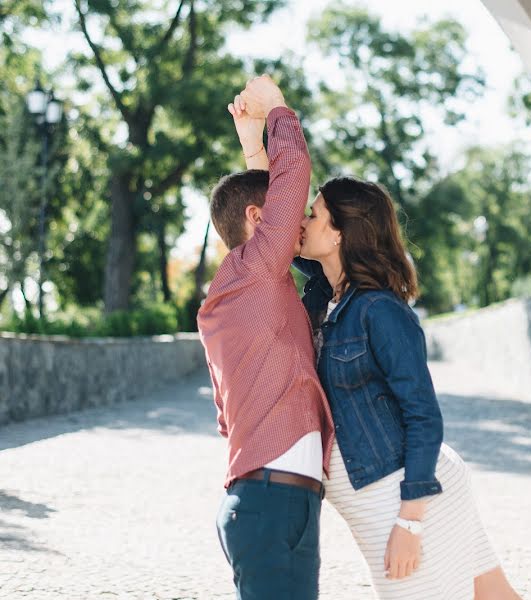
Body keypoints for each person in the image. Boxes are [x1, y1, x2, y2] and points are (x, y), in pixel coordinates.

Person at [293, 178, 523, 600]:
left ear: (340, 232)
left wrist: (410, 523)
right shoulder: (327, 296)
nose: (301, 221)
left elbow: (423, 415)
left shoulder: (379, 311)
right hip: (390, 492)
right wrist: (255, 144)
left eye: (314, 214)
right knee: (495, 596)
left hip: (406, 498)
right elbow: (276, 230)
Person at [197, 75, 334, 600]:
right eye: (286, 216)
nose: (298, 223)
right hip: (272, 506)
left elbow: (271, 200)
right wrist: (278, 110)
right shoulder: (254, 276)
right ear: (259, 219)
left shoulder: (243, 287)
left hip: (271, 503)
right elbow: (292, 175)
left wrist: (253, 147)